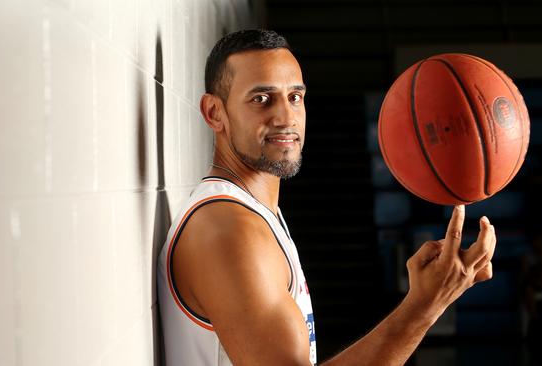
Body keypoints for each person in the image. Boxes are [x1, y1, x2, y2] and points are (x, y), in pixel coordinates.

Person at [157, 29, 497, 366]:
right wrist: (426, 304)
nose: (285, 117)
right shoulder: (228, 230)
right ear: (214, 112)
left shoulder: (255, 216)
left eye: (295, 97)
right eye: (261, 98)